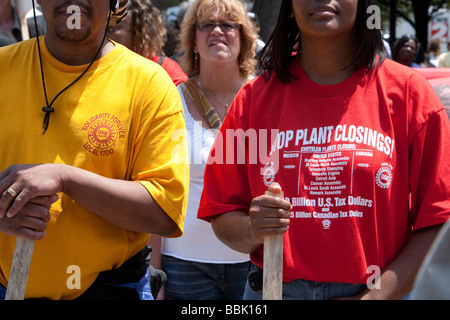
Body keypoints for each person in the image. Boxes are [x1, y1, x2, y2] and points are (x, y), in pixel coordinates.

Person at [197, 0, 450, 300]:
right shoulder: (251, 100)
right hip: (272, 291)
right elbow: (222, 214)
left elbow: (440, 220)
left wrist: (375, 297)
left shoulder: (410, 93)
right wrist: (253, 229)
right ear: (290, 7)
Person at [0, 0, 188, 300]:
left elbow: (165, 213)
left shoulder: (150, 83)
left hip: (114, 291)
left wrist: (66, 178)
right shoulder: (3, 68)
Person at [149, 0, 257, 300]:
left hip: (253, 263)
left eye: (228, 25)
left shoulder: (266, 97)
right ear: (193, 42)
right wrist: (154, 270)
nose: (217, 31)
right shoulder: (170, 101)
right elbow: (157, 188)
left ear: (243, 39)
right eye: (207, 25)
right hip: (184, 264)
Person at [107, 0, 188, 86]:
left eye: (111, 29)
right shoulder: (99, 67)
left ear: (137, 33)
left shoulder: (166, 70)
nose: (104, 34)